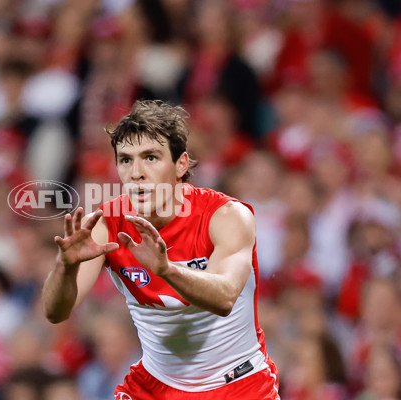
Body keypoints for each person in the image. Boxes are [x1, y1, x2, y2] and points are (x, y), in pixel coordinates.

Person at [42, 100, 279, 399]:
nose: (136, 172)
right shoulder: (104, 225)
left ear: (181, 164)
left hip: (239, 385)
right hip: (155, 386)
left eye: (150, 157)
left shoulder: (226, 217)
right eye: (125, 160)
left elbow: (225, 297)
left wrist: (166, 270)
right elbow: (55, 312)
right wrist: (65, 266)